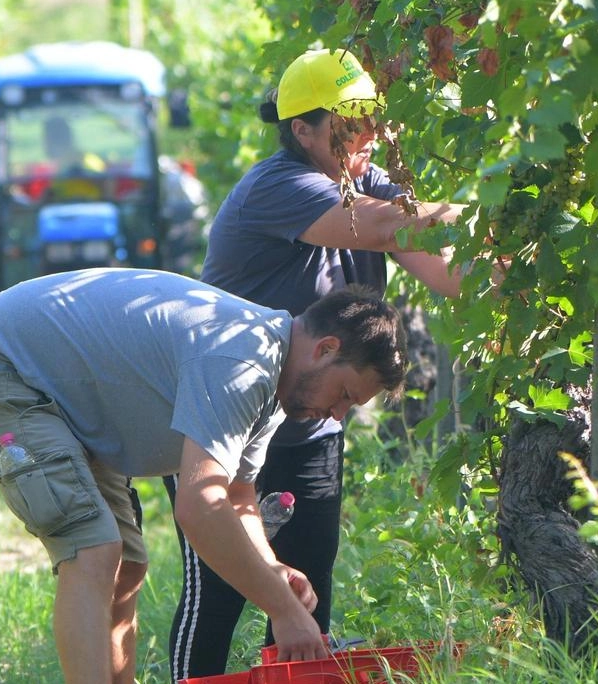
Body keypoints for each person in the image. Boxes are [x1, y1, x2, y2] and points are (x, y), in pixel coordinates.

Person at [166, 47, 480, 681]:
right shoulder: (278, 187)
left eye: (368, 120)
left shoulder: (370, 186)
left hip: (312, 421)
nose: (363, 138)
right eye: (345, 125)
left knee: (310, 579)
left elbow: (445, 271)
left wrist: (517, 275)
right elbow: (390, 227)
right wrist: (484, 217)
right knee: (222, 590)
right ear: (300, 130)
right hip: (224, 413)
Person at [0, 267, 409, 684]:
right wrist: (284, 613)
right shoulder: (242, 361)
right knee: (94, 549)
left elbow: (238, 495)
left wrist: (272, 571)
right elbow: (200, 505)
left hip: (58, 402)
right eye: (345, 394)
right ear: (325, 349)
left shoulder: (271, 383)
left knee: (127, 567)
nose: (337, 414)